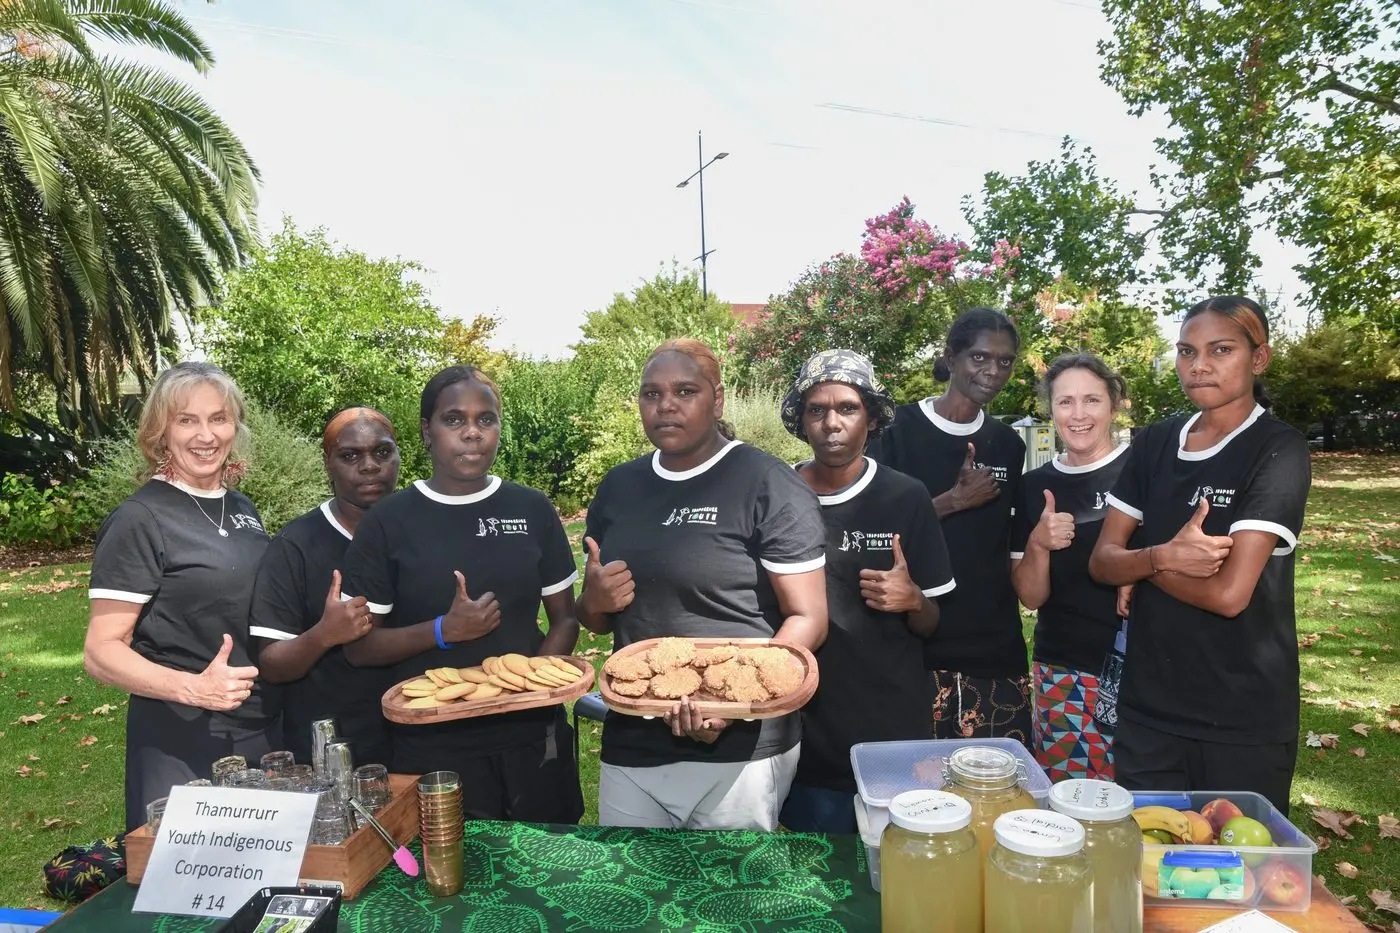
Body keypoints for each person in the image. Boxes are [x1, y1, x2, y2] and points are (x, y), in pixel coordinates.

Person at [579, 338, 828, 831]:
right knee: (636, 893)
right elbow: (596, 618)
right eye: (651, 394)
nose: (665, 405)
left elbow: (809, 618)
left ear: (717, 401)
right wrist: (594, 600)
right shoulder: (619, 488)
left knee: (732, 900)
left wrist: (734, 706)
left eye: (685, 391)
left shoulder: (766, 483)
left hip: (741, 745)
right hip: (634, 736)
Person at [1089, 296, 1310, 814]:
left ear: (1259, 359)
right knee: (1150, 873)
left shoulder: (1277, 450)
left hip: (1241, 717)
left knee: (1235, 881)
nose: (1199, 365)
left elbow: (1230, 595)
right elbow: (1101, 562)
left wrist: (1143, 565)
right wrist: (1165, 556)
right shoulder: (1158, 441)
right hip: (1148, 710)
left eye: (1221, 349)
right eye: (1187, 351)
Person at [339, 366, 583, 822]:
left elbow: (565, 619)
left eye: (485, 420)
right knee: (452, 883)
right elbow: (360, 649)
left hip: (532, 738)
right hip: (435, 746)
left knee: (548, 876)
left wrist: (529, 692)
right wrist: (444, 631)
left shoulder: (531, 509)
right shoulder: (389, 523)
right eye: (454, 420)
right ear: (427, 431)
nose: (472, 433)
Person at [83, 362, 279, 831]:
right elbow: (100, 651)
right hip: (182, 736)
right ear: (160, 431)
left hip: (258, 728)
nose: (205, 435)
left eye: (218, 418)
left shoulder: (241, 506)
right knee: (189, 895)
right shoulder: (140, 519)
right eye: (186, 420)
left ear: (235, 426)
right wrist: (194, 688)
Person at [776, 349, 955, 834]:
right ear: (801, 419)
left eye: (848, 408)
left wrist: (914, 599)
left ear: (872, 418)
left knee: (890, 868)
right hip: (800, 726)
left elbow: (936, 620)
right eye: (818, 410)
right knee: (814, 874)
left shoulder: (904, 496)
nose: (832, 423)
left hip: (889, 729)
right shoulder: (776, 495)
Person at [870, 308, 1031, 744]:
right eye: (980, 358)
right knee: (914, 791)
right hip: (913, 642)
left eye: (1004, 361)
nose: (993, 371)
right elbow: (869, 533)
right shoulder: (895, 432)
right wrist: (949, 502)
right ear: (952, 357)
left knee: (996, 790)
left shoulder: (1008, 445)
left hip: (991, 645)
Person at [248, 408, 400, 766]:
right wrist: (324, 634)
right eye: (350, 456)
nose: (369, 466)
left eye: (382, 452)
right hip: (336, 751)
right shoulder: (296, 545)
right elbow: (272, 663)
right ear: (327, 463)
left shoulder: (419, 529)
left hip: (420, 735)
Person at [1009, 354, 1131, 781]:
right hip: (1064, 668)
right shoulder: (1033, 486)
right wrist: (1038, 543)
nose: (1078, 415)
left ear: (1114, 405)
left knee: (1149, 807)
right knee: (1073, 804)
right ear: (1051, 410)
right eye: (1065, 402)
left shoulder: (1143, 471)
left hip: (1148, 666)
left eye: (1092, 400)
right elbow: (1030, 595)